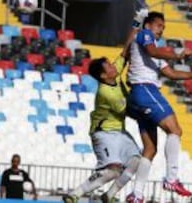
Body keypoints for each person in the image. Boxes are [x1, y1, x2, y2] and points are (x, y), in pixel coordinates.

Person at [126, 11, 192, 202]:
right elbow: (151, 51)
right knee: (175, 129)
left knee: (150, 149)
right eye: (159, 26)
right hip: (145, 90)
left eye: (163, 27)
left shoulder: (154, 49)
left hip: (138, 96)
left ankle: (137, 194)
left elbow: (172, 74)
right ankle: (171, 179)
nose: (161, 30)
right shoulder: (145, 36)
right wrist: (177, 54)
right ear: (148, 25)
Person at [62, 9, 149, 203]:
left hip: (119, 131)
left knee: (136, 161)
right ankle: (75, 194)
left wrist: (137, 22)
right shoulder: (106, 92)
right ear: (103, 75)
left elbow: (125, 53)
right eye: (109, 66)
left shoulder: (114, 76)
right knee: (112, 171)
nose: (113, 66)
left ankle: (109, 195)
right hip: (104, 133)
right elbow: (128, 110)